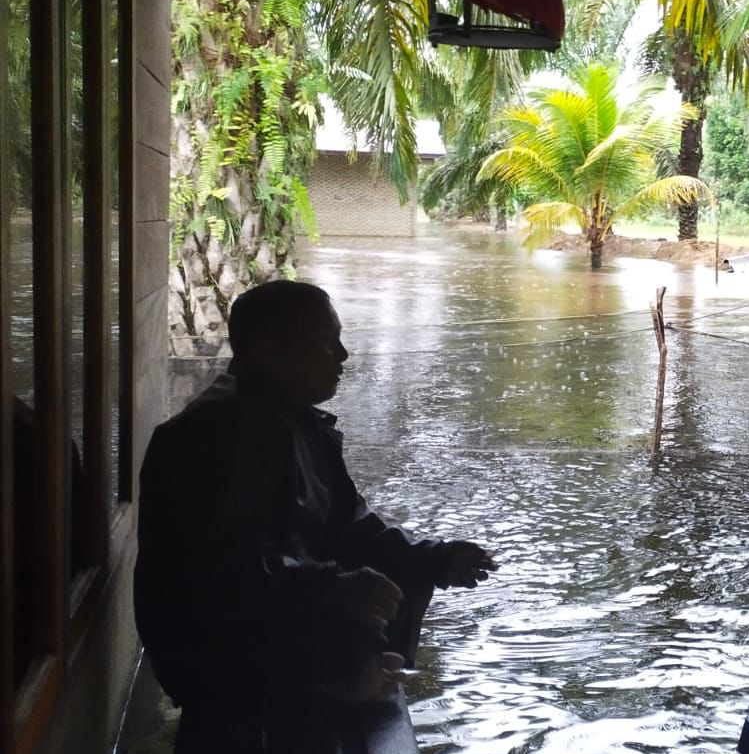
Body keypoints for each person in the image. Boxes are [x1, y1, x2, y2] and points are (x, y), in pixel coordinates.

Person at [134, 280, 496, 714]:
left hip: (275, 608)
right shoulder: (214, 438)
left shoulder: (296, 422)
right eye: (328, 343)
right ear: (269, 350)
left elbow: (351, 525)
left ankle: (344, 675)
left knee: (398, 577)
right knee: (355, 608)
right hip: (212, 646)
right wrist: (328, 587)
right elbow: (216, 574)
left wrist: (437, 558)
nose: (343, 357)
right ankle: (323, 686)